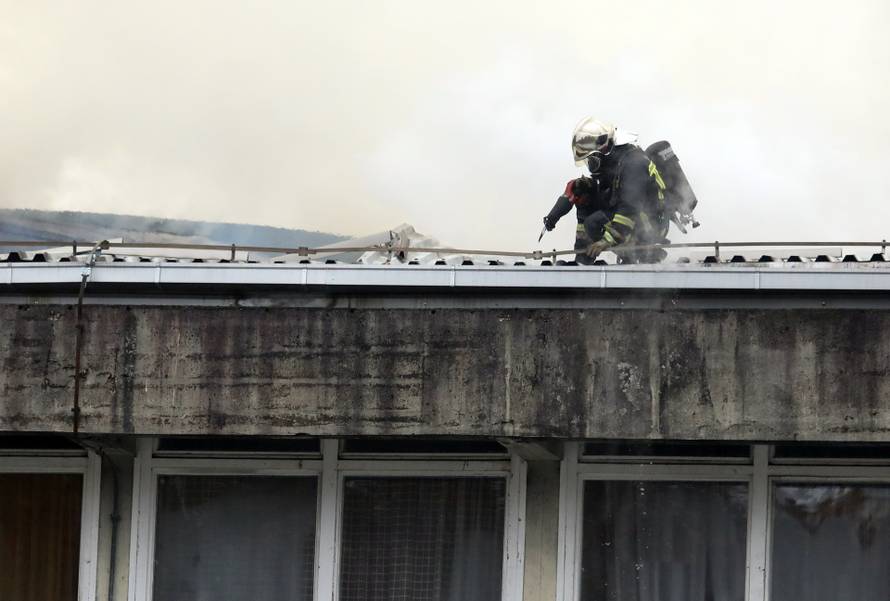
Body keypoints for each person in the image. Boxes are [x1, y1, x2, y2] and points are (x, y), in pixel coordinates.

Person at [542, 118, 669, 264]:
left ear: (601, 152)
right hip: (636, 216)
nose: (590, 166)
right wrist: (585, 191)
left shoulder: (634, 165)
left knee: (594, 222)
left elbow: (629, 208)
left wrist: (606, 240)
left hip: (650, 224)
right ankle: (583, 257)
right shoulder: (618, 163)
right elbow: (613, 196)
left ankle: (641, 255)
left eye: (591, 160)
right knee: (584, 194)